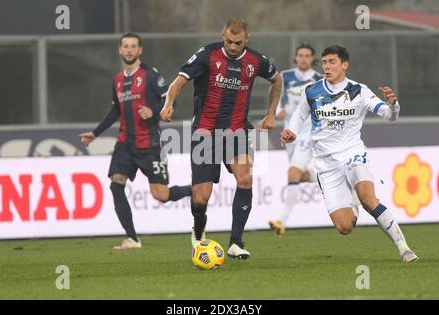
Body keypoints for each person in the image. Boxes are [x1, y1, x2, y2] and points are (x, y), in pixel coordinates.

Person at [280, 44, 418, 262]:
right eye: (324, 62)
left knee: (368, 198)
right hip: (326, 165)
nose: (327, 66)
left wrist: (393, 106)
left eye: (332, 62)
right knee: (344, 227)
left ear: (344, 65)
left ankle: (404, 248)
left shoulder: (359, 91)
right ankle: (352, 199)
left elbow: (389, 115)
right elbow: (299, 114)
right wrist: (292, 132)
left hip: (353, 154)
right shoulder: (313, 91)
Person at [160, 18, 282, 259]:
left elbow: (277, 79)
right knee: (201, 197)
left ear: (247, 39)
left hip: (237, 131)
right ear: (222, 35)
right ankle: (198, 230)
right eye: (228, 41)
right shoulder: (207, 54)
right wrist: (168, 104)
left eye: (238, 42)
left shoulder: (256, 61)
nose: (233, 46)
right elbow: (178, 81)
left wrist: (271, 114)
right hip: (204, 133)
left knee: (245, 178)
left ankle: (236, 242)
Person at [79, 32, 192, 250]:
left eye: (133, 46)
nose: (129, 50)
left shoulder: (150, 75)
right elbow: (115, 110)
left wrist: (154, 110)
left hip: (149, 145)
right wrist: (95, 133)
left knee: (161, 195)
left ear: (140, 50)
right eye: (125, 46)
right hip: (125, 144)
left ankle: (194, 189)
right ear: (120, 50)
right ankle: (132, 238)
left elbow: (171, 100)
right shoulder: (118, 81)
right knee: (116, 185)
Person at [268, 43, 323, 236]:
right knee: (300, 175)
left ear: (313, 59)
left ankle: (282, 220)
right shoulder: (285, 76)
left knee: (292, 173)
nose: (304, 58)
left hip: (309, 133)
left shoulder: (319, 80)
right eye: (300, 55)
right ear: (295, 57)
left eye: (308, 55)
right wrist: (276, 111)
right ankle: (342, 181)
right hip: (289, 133)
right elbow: (275, 96)